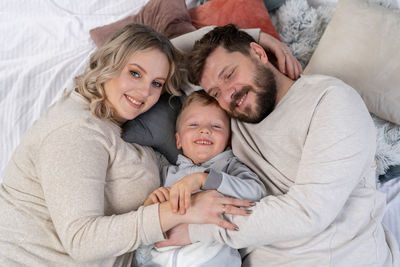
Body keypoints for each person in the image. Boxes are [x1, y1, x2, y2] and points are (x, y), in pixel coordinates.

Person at [0, 24, 257, 267]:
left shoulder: (119, 120)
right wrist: (179, 212)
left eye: (156, 83)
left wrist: (256, 40)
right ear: (110, 63)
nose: (144, 91)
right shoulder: (75, 131)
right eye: (135, 73)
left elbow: (189, 58)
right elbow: (81, 241)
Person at [157, 24, 400, 266]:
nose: (228, 94)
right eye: (215, 92)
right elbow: (160, 55)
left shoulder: (331, 101)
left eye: (229, 74)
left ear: (259, 54)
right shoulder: (231, 116)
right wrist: (258, 35)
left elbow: (307, 214)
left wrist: (197, 230)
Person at [135, 91, 267, 266]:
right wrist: (151, 205)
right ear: (178, 140)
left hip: (210, 257)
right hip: (159, 260)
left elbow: (256, 192)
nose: (204, 129)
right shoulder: (165, 172)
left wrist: (204, 179)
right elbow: (146, 227)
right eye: (193, 124)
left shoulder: (230, 169)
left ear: (228, 141)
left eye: (216, 126)